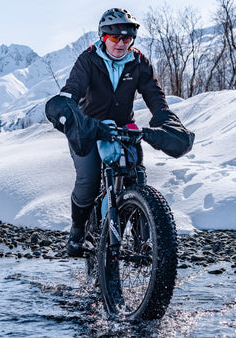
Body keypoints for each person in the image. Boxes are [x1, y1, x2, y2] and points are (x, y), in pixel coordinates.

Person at [55, 8, 180, 257]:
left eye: (127, 38)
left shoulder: (139, 61)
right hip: (89, 129)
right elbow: (73, 88)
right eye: (115, 38)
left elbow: (154, 94)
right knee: (88, 182)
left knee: (136, 175)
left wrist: (164, 118)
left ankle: (141, 237)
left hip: (124, 128)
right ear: (104, 37)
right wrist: (66, 107)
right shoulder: (88, 60)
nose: (121, 43)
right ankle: (78, 232)